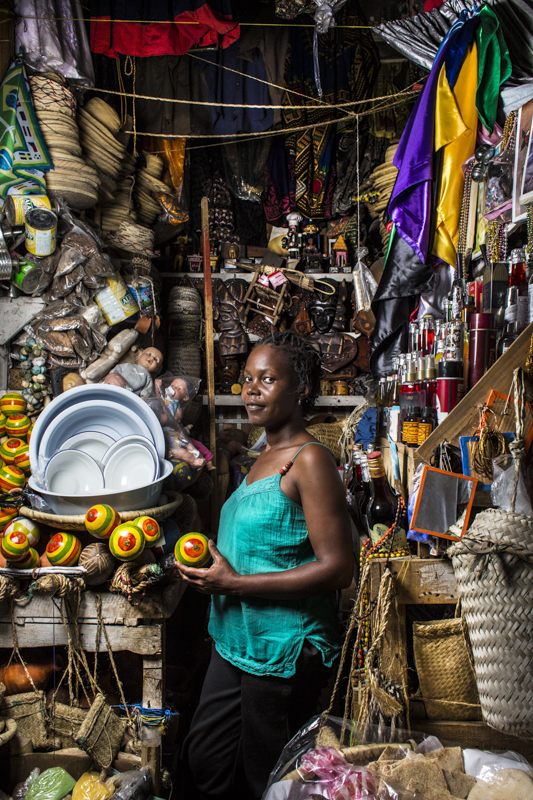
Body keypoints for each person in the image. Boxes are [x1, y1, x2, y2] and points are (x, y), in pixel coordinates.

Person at [177, 331, 354, 800]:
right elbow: (260, 544)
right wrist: (212, 569)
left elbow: (339, 568)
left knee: (268, 775)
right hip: (236, 636)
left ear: (299, 390)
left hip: (283, 645)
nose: (250, 389)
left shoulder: (309, 460)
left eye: (268, 379)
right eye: (247, 378)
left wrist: (235, 582)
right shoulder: (260, 458)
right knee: (206, 759)